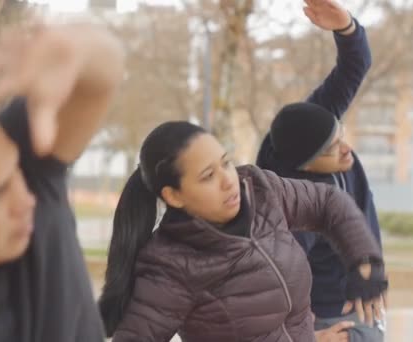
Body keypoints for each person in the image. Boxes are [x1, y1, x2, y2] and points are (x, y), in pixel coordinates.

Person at [98, 121, 387, 342]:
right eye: (208, 176)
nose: (228, 181)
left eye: (226, 162)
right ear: (174, 196)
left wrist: (363, 260)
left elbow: (328, 202)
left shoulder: (259, 189)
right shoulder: (170, 265)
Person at [0, 23, 124, 341]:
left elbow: (103, 73)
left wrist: (77, 49)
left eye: (16, 171)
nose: (26, 199)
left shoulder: (32, 171)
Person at [256, 1, 386, 341]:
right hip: (325, 315)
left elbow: (355, 65)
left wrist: (346, 28)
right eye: (333, 148)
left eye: (340, 134)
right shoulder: (287, 208)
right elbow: (274, 287)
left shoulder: (315, 121)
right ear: (305, 165)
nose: (347, 149)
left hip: (363, 293)